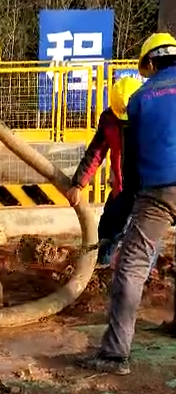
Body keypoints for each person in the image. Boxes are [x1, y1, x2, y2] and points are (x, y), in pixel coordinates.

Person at [76, 32, 176, 375]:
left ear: (150, 63)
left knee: (131, 266)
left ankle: (114, 355)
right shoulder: (113, 117)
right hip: (156, 187)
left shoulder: (142, 98)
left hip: (159, 190)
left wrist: (126, 213)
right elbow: (97, 153)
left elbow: (132, 170)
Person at [66, 76, 143, 267]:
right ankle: (102, 265)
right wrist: (78, 184)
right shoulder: (109, 120)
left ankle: (141, 275)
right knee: (107, 228)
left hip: (146, 190)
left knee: (140, 237)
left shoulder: (150, 119)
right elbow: (96, 152)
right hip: (120, 189)